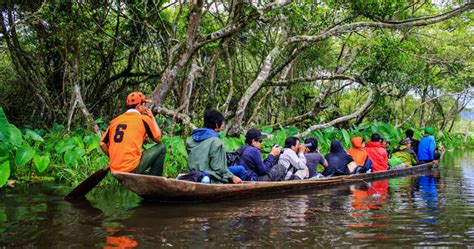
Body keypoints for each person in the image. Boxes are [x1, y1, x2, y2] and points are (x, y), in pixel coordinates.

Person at [100, 91, 166, 175]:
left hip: (115, 169)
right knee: (162, 147)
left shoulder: (115, 121)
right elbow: (158, 138)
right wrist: (152, 117)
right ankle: (155, 181)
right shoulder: (143, 119)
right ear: (139, 106)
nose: (145, 107)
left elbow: (102, 143)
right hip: (130, 167)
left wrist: (113, 157)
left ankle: (143, 177)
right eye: (144, 105)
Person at [185, 109, 243, 184]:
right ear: (216, 124)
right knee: (240, 172)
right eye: (221, 124)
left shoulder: (192, 139)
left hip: (191, 176)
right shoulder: (216, 141)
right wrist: (232, 177)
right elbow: (219, 168)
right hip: (207, 179)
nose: (222, 126)